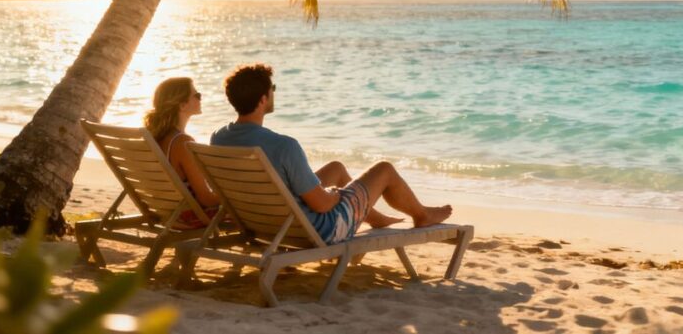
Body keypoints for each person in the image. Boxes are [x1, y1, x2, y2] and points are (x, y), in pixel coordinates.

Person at [211, 63, 452, 245]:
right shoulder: (284, 146)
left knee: (335, 168)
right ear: (263, 99)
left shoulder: (219, 138)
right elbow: (323, 205)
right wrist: (336, 194)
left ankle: (373, 216)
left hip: (262, 223)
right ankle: (422, 215)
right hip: (316, 229)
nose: (274, 93)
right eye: (272, 89)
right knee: (384, 170)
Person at [143, 77, 221, 221]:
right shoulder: (182, 143)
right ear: (182, 105)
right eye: (197, 95)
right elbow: (206, 199)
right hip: (187, 217)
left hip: (164, 213)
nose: (200, 98)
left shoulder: (153, 138)